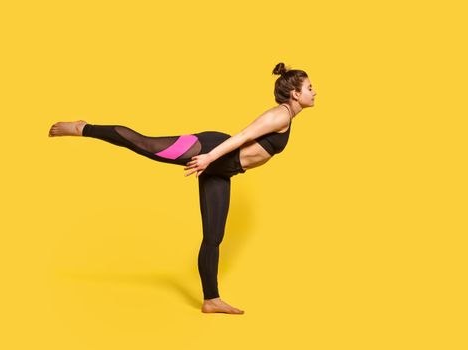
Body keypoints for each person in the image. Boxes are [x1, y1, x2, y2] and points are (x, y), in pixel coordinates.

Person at [48, 62, 317, 315]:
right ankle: (84, 128)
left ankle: (211, 300)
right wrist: (209, 157)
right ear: (294, 94)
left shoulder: (288, 117)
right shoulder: (278, 115)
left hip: (225, 169)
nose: (314, 92)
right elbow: (242, 137)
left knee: (214, 236)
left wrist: (215, 164)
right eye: (309, 88)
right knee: (146, 144)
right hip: (211, 150)